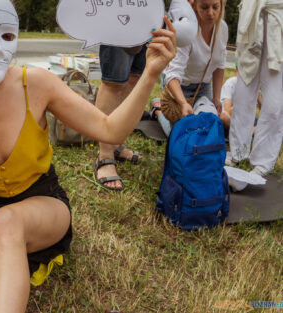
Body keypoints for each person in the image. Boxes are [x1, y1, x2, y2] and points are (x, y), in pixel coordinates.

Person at [0, 0, 177, 311]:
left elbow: (109, 130)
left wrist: (151, 72)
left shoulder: (33, 83)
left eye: (7, 36)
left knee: (6, 221)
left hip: (43, 204)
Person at [154, 0, 228, 137]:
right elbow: (173, 74)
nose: (211, 13)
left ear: (221, 6)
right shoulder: (187, 32)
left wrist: (217, 98)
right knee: (179, 134)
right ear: (194, 6)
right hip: (178, 86)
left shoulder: (222, 29)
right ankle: (158, 110)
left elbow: (220, 65)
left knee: (205, 127)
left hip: (203, 87)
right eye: (204, 8)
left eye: (215, 7)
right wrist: (182, 103)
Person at [227, 0, 283, 177]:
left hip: (279, 24)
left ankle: (263, 160)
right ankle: (238, 151)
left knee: (274, 105)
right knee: (243, 95)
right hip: (252, 18)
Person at [93, 45, 146, 191]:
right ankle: (105, 155)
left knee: (134, 77)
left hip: (150, 24)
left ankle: (115, 145)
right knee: (113, 81)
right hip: (120, 24)